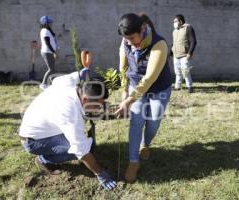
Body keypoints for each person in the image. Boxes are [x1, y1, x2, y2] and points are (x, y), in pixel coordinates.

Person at [18, 71, 117, 190]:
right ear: (85, 99)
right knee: (83, 148)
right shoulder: (71, 113)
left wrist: (83, 72)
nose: (100, 108)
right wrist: (100, 173)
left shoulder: (68, 84)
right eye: (97, 105)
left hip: (38, 126)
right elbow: (82, 151)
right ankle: (43, 159)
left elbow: (65, 78)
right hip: (32, 141)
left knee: (84, 142)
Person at [115, 13, 172, 183]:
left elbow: (149, 78)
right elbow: (123, 68)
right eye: (127, 39)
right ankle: (134, 161)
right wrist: (124, 91)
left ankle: (145, 144)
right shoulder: (126, 41)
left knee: (153, 121)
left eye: (132, 38)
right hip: (135, 86)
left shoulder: (159, 45)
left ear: (142, 29)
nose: (130, 42)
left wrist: (128, 100)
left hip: (158, 88)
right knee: (136, 122)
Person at [171, 14, 197, 93]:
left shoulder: (188, 28)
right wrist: (170, 52)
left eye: (175, 21)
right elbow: (174, 43)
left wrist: (190, 52)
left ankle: (190, 87)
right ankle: (177, 87)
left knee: (185, 72)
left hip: (184, 55)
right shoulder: (175, 31)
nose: (174, 23)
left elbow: (193, 41)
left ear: (181, 21)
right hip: (176, 55)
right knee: (177, 72)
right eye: (173, 22)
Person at [39, 16, 58, 90]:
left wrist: (55, 50)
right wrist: (53, 52)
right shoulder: (44, 31)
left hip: (49, 51)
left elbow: (53, 41)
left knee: (53, 69)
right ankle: (43, 84)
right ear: (45, 23)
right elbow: (47, 43)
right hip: (47, 52)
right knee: (51, 69)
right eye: (49, 22)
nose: (51, 24)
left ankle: (51, 82)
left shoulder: (47, 30)